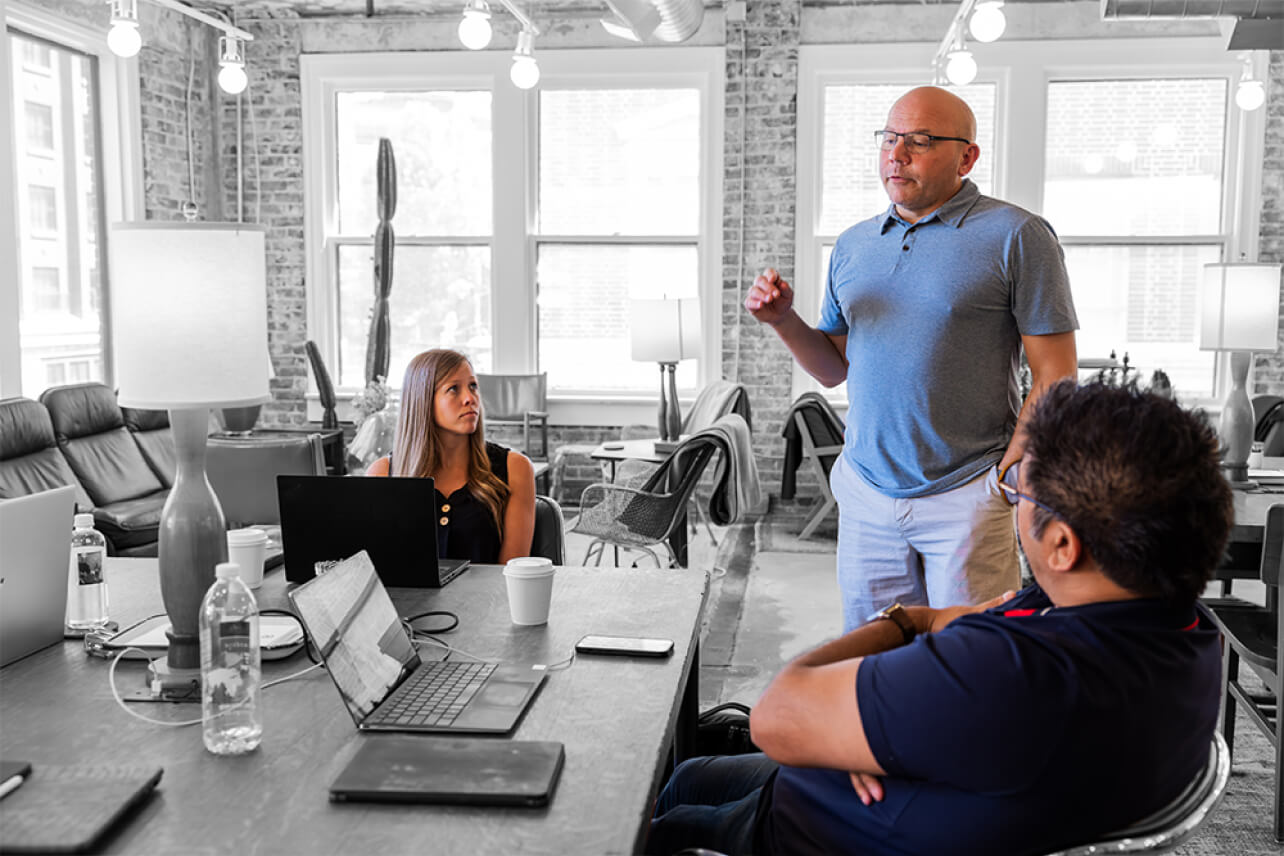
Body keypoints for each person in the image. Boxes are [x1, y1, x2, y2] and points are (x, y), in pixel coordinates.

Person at [647, 380, 1232, 856]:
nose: (1014, 503)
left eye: (1018, 491)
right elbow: (959, 624)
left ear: (1061, 544)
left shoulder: (1005, 675)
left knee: (658, 822)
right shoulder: (1180, 627)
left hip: (812, 833)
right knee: (686, 776)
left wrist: (903, 624)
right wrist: (908, 704)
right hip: (891, 788)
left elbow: (776, 716)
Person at [746, 85, 1080, 631]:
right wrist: (783, 319)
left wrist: (1006, 471)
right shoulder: (853, 244)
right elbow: (834, 369)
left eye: (920, 141)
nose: (897, 155)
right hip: (867, 492)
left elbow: (1056, 373)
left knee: (970, 663)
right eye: (889, 138)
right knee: (875, 660)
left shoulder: (1017, 236)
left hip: (966, 491)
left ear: (967, 156)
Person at [367, 349, 536, 565]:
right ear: (423, 400)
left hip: (489, 598)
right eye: (453, 389)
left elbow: (511, 575)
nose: (470, 398)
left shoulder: (515, 468)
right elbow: (381, 571)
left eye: (473, 386)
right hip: (407, 600)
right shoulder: (381, 474)